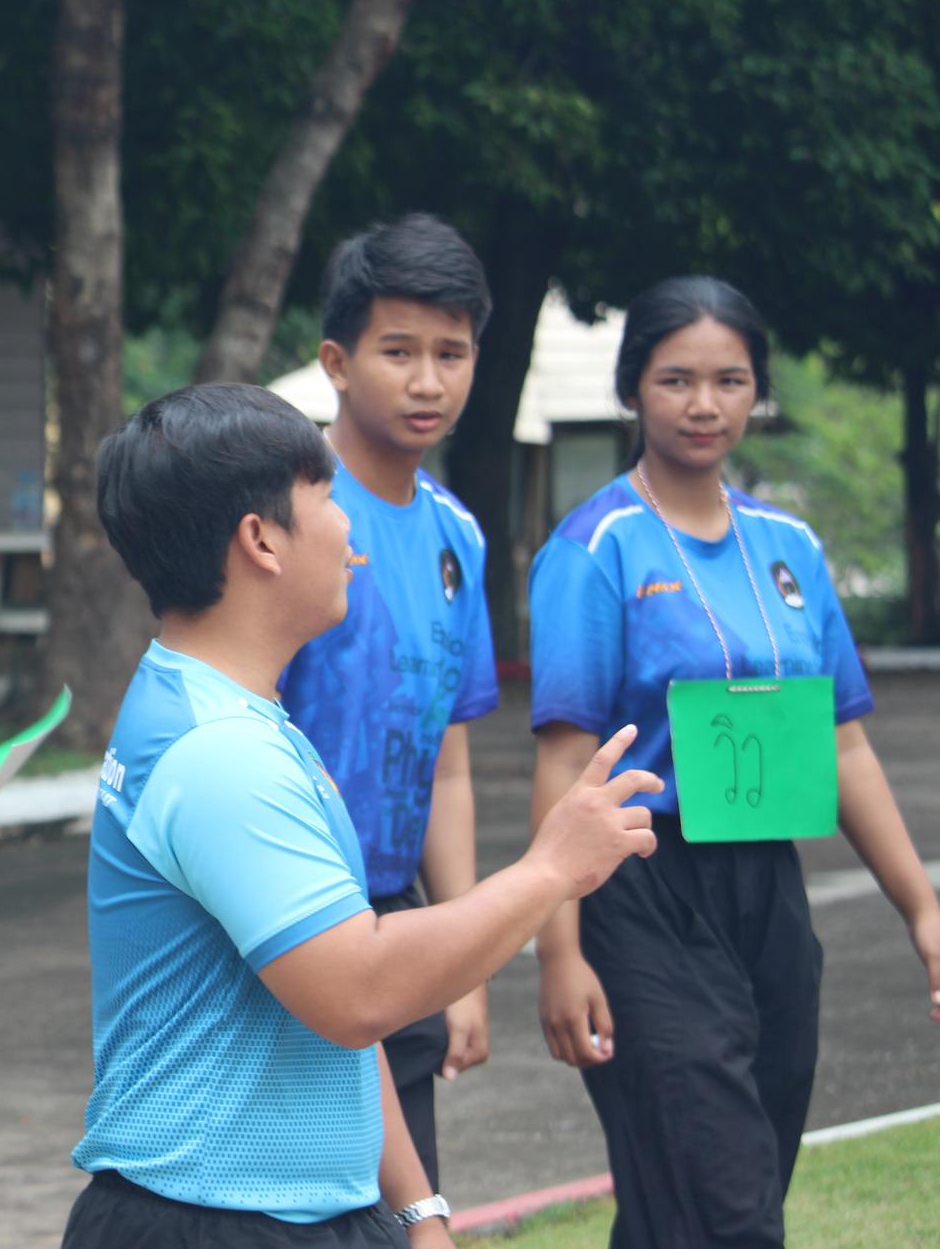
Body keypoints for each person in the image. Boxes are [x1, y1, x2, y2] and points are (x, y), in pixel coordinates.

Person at [67, 383, 660, 1249]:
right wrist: (548, 871)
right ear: (260, 539)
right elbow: (358, 986)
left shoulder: (230, 710)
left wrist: (416, 1210)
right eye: (329, 499)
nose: (354, 536)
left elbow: (334, 985)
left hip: (282, 1210)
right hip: (216, 1221)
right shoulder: (222, 754)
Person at [527, 276, 940, 1247]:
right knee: (722, 1200)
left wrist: (919, 907)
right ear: (630, 390)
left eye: (728, 380)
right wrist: (559, 947)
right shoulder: (595, 548)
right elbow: (561, 763)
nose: (703, 404)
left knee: (717, 1182)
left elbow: (841, 745)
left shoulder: (788, 545)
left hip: (765, 888)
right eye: (674, 380)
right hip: (636, 885)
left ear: (756, 392)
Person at [279, 215, 499, 1187]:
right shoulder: (281, 518)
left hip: (394, 921)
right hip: (278, 916)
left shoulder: (458, 537)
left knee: (401, 1206)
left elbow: (447, 759)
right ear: (335, 359)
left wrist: (461, 965)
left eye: (449, 354)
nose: (426, 382)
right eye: (397, 351)